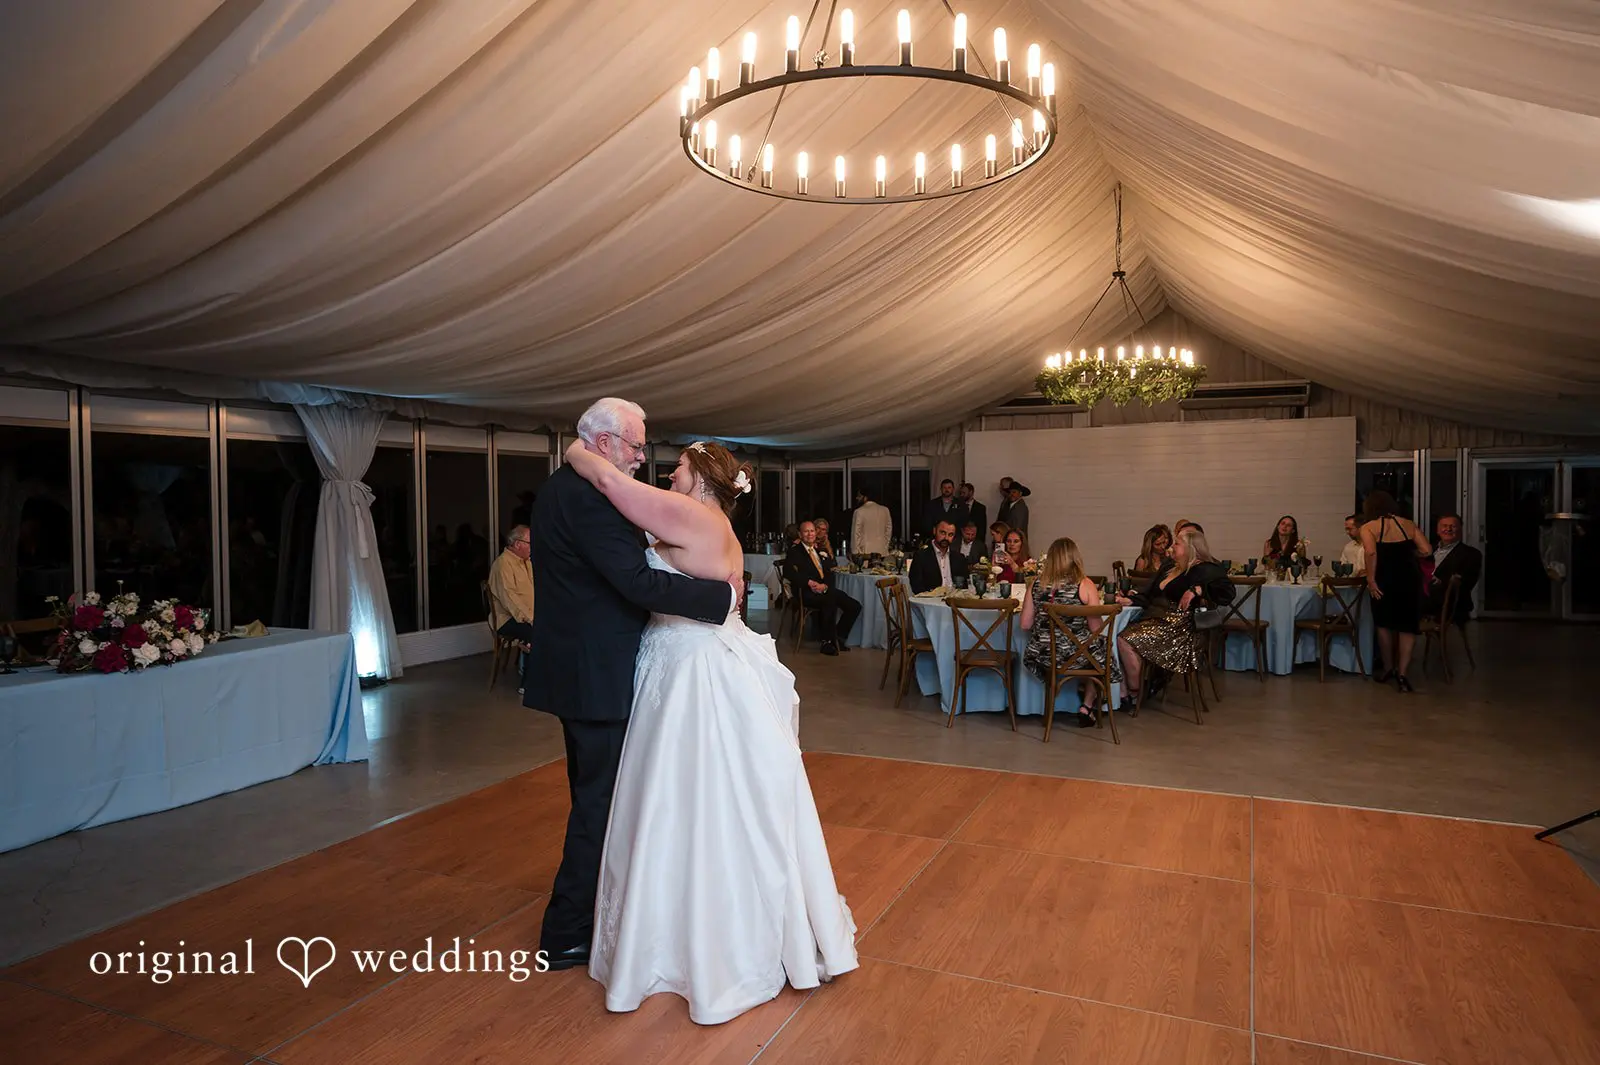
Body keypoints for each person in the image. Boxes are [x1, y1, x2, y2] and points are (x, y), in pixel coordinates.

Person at [563, 435, 858, 1024]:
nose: (668, 474)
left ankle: (690, 939)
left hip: (688, 670)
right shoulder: (717, 523)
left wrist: (575, 450)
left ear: (700, 478)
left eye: (677, 468)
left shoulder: (690, 514)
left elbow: (613, 485)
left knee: (680, 800)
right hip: (692, 657)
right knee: (700, 801)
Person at [523, 399, 741, 973]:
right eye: (635, 446)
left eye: (645, 448)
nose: (644, 458)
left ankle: (599, 910)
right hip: (596, 675)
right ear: (602, 444)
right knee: (599, 805)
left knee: (596, 798)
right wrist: (724, 600)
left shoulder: (560, 486)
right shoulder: (592, 499)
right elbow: (637, 582)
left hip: (577, 669)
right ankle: (566, 932)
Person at [1115, 525, 1234, 703]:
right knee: (1115, 635)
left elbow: (1227, 593)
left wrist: (1199, 589)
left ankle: (1136, 690)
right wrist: (1130, 600)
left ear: (1190, 549)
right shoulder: (1170, 566)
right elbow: (1149, 592)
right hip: (1156, 620)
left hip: (1179, 630)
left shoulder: (1204, 569)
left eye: (1176, 544)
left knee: (1124, 640)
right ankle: (1126, 690)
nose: (1171, 548)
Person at [1021, 537, 1121, 728]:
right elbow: (1095, 628)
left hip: (1045, 653)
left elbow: (1025, 624)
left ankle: (1055, 704)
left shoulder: (1036, 584)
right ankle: (1087, 705)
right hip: (1077, 654)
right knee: (1100, 651)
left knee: (1093, 652)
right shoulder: (1084, 584)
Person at [1359, 490, 1432, 692]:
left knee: (1383, 624)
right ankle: (1403, 674)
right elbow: (1427, 550)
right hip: (1409, 578)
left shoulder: (1368, 527)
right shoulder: (1408, 524)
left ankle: (1388, 668)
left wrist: (1371, 579)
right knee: (1407, 625)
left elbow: (1371, 552)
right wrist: (1411, 555)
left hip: (1385, 578)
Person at [785, 520, 862, 654]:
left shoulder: (818, 550)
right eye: (806, 531)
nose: (810, 534)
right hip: (806, 592)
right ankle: (827, 642)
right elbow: (789, 573)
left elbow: (828, 571)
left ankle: (838, 637)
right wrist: (809, 582)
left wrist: (825, 585)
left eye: (812, 531)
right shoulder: (795, 551)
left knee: (854, 606)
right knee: (830, 600)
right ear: (800, 534)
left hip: (824, 590)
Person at [1423, 512, 1480, 625]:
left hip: (1449, 601)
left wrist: (1441, 581)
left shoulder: (1471, 554)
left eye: (1453, 526)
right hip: (1423, 595)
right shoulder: (1428, 550)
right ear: (1438, 531)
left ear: (1460, 530)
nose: (1448, 529)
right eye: (1444, 526)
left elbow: (1467, 582)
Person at [488, 525, 535, 647]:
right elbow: (510, 598)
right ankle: (529, 664)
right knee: (538, 633)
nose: (533, 546)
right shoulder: (503, 564)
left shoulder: (528, 562)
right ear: (518, 544)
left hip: (529, 614)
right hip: (508, 618)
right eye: (530, 543)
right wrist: (530, 618)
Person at [910, 519, 967, 593]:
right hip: (930, 601)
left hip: (954, 601)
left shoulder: (959, 558)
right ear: (934, 531)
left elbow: (965, 586)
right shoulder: (921, 556)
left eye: (950, 535)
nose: (946, 538)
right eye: (943, 533)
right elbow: (916, 587)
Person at [850, 487, 893, 556]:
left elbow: (856, 534)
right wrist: (885, 545)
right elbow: (888, 531)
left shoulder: (859, 511)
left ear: (865, 497)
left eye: (859, 496)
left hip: (865, 553)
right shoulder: (885, 510)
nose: (857, 498)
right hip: (882, 551)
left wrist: (856, 552)